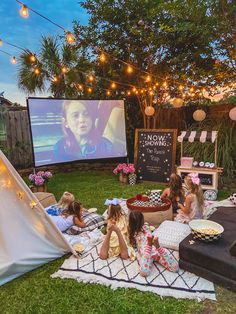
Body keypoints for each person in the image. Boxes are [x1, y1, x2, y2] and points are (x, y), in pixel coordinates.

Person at [128, 211, 179, 277]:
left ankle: (158, 247)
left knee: (175, 269)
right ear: (142, 220)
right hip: (147, 254)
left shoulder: (145, 226)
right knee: (144, 273)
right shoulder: (132, 233)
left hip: (155, 250)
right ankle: (154, 246)